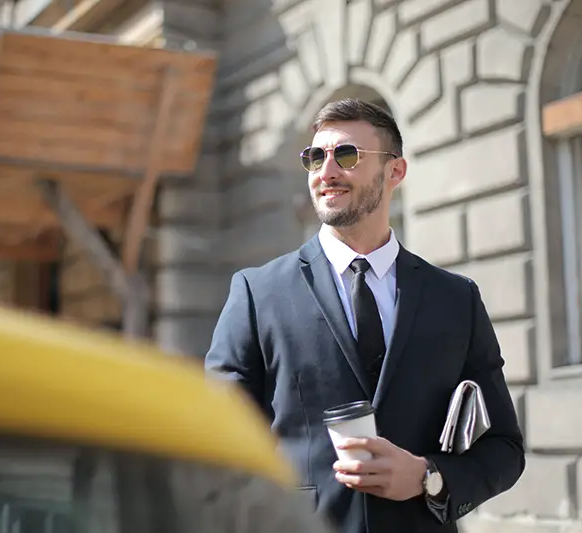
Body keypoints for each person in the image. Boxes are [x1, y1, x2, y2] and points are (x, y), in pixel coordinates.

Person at [204, 98, 525, 533]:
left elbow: (503, 448)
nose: (326, 171)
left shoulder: (456, 299)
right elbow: (216, 442)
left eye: (347, 155)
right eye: (315, 157)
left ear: (395, 172)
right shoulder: (257, 292)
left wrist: (429, 478)